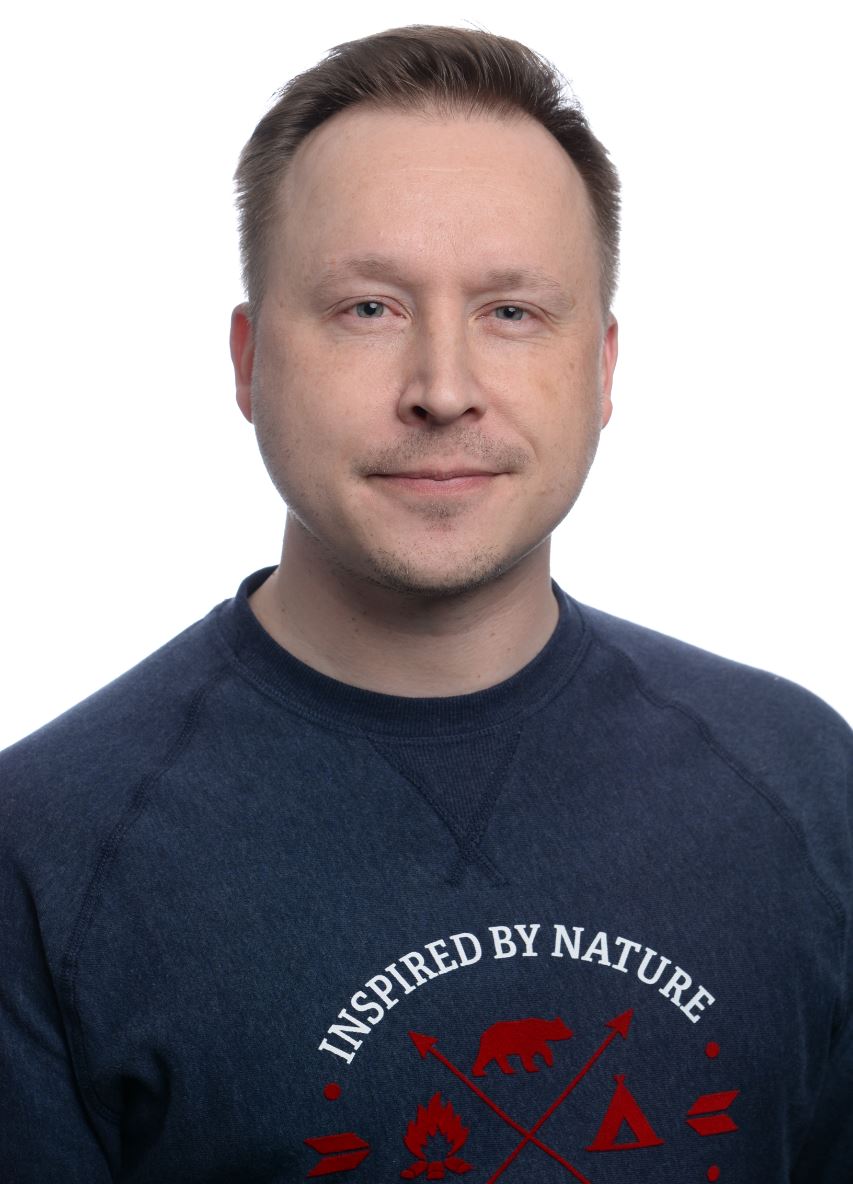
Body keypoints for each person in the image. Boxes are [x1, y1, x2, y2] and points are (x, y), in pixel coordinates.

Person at [0, 23, 849, 1183]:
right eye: (368, 308)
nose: (443, 389)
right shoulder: (44, 853)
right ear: (247, 361)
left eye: (511, 311)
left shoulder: (802, 784)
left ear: (602, 368)